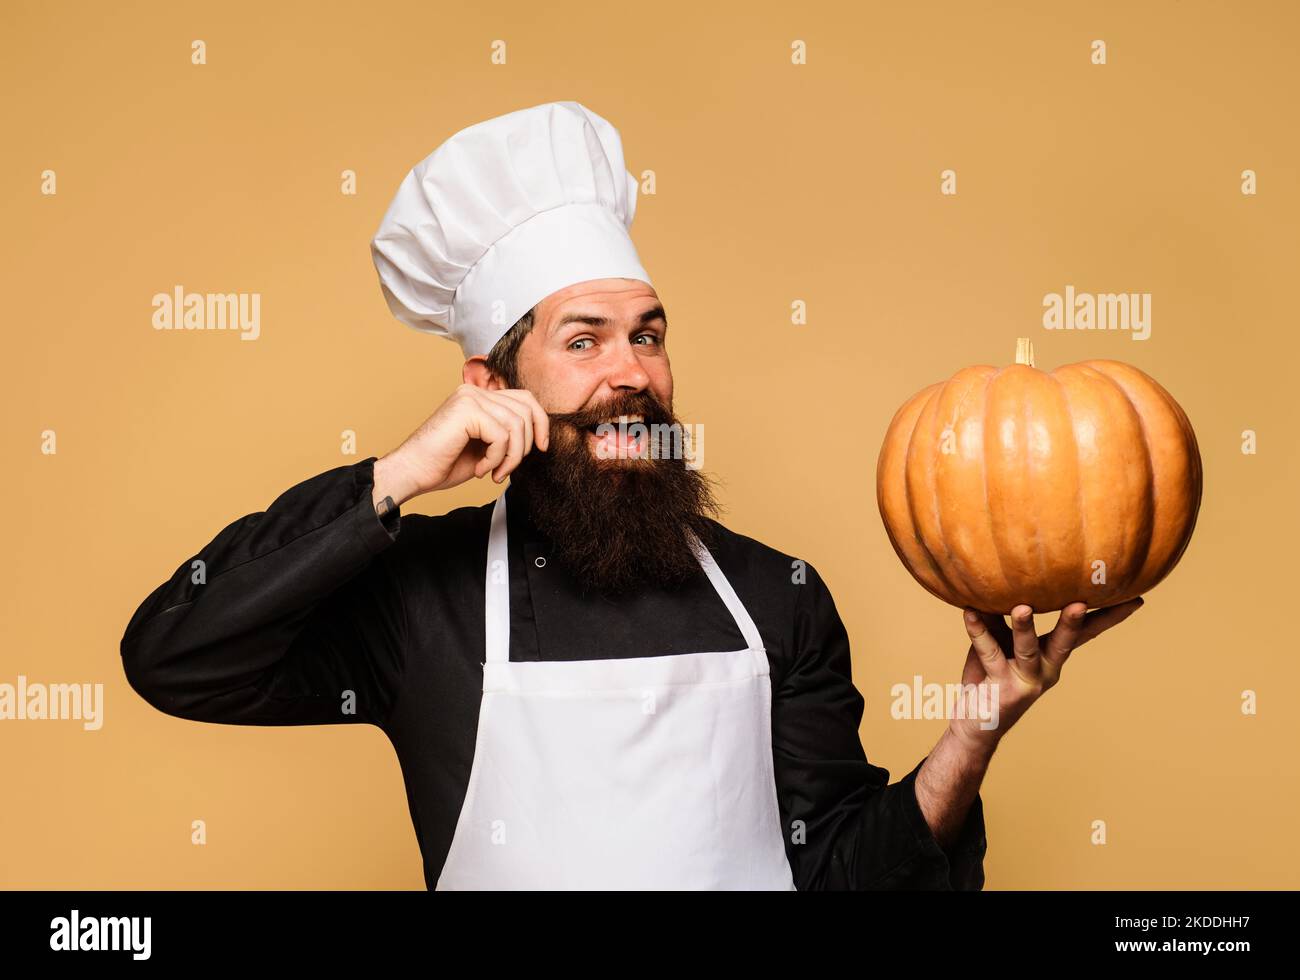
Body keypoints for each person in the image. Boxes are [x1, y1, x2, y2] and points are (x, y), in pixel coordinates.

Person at [119, 101, 1142, 890]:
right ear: (490, 387)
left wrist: (970, 733)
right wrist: (393, 477)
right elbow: (175, 653)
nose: (631, 373)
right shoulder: (420, 603)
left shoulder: (775, 595)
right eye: (583, 338)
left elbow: (835, 870)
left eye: (646, 334)